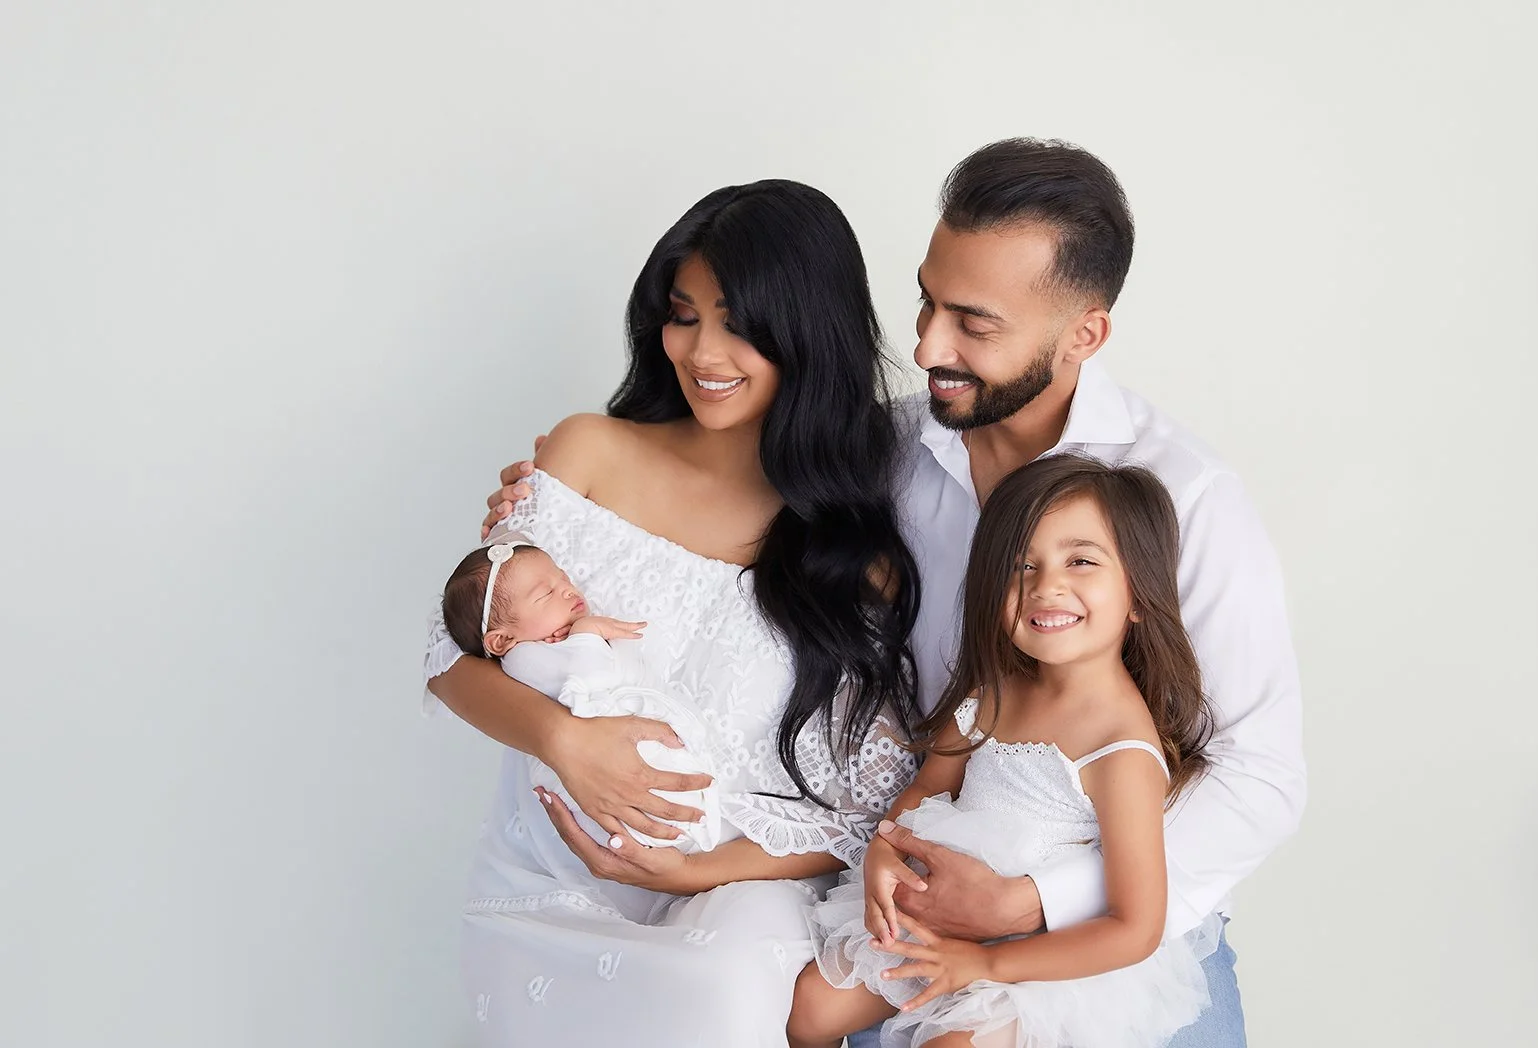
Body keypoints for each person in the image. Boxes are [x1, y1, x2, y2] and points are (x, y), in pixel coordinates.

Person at [483, 138, 1305, 1045]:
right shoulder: (879, 458)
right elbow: (703, 500)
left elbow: (1261, 780)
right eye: (926, 300)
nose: (925, 346)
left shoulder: (1183, 497)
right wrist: (546, 529)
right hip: (897, 909)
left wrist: (1031, 901)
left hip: (1111, 944)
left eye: (974, 324)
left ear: (1086, 333)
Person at [424, 178, 924, 1046]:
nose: (702, 351)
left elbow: (860, 814)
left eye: (738, 322)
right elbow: (450, 653)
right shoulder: (589, 453)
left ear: (807, 331)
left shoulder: (856, 553)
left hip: (731, 897)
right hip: (543, 888)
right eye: (683, 314)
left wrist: (698, 871)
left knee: (726, 979)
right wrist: (564, 740)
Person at [788, 455, 1219, 1048]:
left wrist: (985, 966)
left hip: (1039, 958)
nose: (1046, 586)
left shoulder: (1121, 750)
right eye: (1022, 566)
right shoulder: (992, 694)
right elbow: (925, 791)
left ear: (1140, 593)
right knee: (813, 1004)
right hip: (938, 910)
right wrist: (884, 854)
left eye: (1081, 561)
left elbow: (1135, 928)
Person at [441, 538, 718, 850]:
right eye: (546, 594)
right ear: (503, 640)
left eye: (564, 578)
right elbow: (589, 682)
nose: (567, 590)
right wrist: (587, 633)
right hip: (600, 777)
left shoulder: (553, 646)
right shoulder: (522, 658)